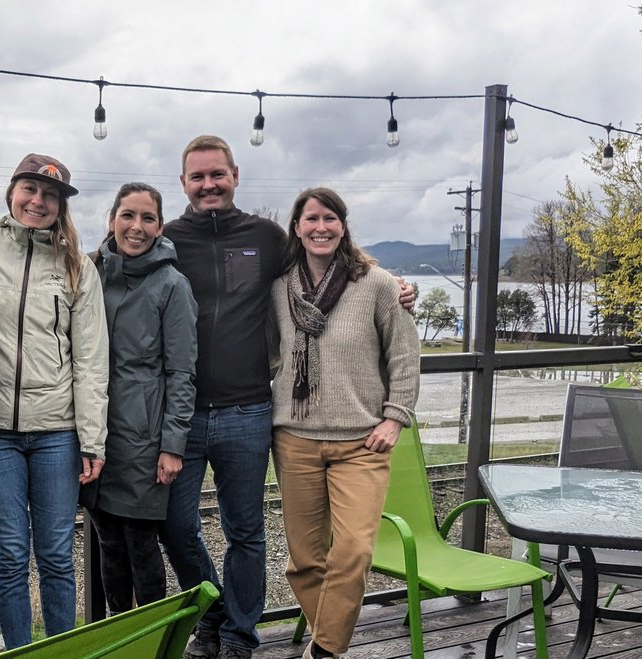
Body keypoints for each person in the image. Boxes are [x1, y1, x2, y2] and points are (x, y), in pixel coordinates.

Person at [159, 136, 416, 659]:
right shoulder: (167, 240)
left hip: (254, 412)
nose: (209, 184)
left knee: (253, 534)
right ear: (183, 182)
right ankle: (214, 612)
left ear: (235, 175)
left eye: (218, 174)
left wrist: (397, 287)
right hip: (188, 414)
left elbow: (337, 268)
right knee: (177, 525)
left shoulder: (267, 236)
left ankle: (246, 638)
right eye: (198, 177)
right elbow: (119, 265)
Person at [0, 153, 109, 649]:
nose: (38, 201)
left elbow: (91, 359)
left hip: (57, 433)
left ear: (61, 206)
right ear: (11, 192)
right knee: (7, 553)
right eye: (30, 190)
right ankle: (20, 651)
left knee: (54, 554)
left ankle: (61, 649)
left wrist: (92, 439)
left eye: (51, 195)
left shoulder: (76, 267)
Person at [270, 188, 420, 659]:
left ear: (342, 225)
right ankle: (329, 643)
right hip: (294, 440)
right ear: (296, 227)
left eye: (329, 218)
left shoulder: (376, 284)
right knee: (305, 560)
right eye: (310, 218)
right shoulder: (279, 288)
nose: (320, 227)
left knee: (353, 553)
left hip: (362, 443)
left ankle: (325, 650)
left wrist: (395, 418)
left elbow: (404, 353)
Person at [87, 182, 197, 615]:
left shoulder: (172, 285)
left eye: (147, 217)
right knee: (107, 542)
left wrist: (172, 445)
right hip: (96, 433)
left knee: (140, 545)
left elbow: (182, 372)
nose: (136, 227)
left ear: (160, 226)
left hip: (143, 437)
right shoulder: (92, 273)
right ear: (112, 219)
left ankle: (151, 638)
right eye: (127, 216)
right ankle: (119, 634)